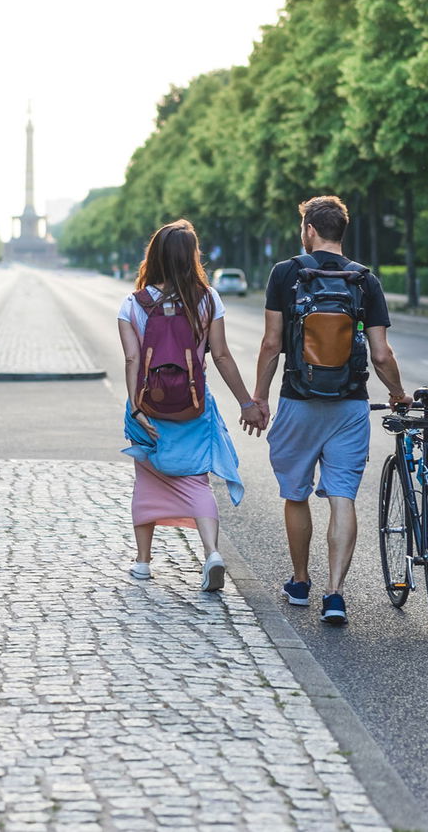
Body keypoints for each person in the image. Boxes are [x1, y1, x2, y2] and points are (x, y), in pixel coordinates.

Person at [250, 196, 409, 625]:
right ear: (342, 231)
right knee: (342, 497)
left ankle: (300, 582)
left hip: (298, 401)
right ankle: (335, 595)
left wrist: (259, 399)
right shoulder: (365, 281)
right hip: (349, 405)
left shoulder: (285, 274)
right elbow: (381, 353)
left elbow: (271, 345)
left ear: (309, 230)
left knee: (295, 493)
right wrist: (397, 393)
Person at [118, 219, 268, 591]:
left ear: (154, 256)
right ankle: (212, 553)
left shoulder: (132, 304)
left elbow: (132, 361)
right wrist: (247, 402)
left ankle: (142, 562)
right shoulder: (207, 299)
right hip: (194, 405)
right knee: (197, 482)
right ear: (191, 257)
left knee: (147, 480)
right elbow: (220, 355)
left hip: (148, 408)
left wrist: (137, 408)